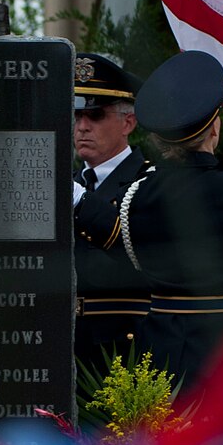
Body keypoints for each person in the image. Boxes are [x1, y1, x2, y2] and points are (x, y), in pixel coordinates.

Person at [73, 51, 223, 389]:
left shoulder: (137, 195)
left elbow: (112, 233)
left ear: (158, 137)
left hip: (161, 356)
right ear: (215, 128)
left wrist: (77, 200)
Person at [69, 53, 152, 379]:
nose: (82, 126)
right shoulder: (69, 185)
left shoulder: (150, 182)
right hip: (66, 347)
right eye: (76, 115)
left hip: (124, 349)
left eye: (95, 115)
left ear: (128, 123)